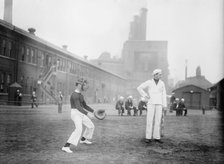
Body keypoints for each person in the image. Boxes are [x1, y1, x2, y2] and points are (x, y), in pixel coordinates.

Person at [62, 78, 95, 153]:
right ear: (80, 85)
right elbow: (78, 107)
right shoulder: (74, 95)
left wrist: (94, 111)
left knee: (91, 126)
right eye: (84, 85)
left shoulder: (80, 95)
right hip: (75, 114)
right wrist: (87, 114)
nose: (85, 86)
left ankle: (83, 139)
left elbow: (85, 106)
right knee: (79, 130)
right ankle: (66, 146)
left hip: (80, 112)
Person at [137, 69, 167, 143]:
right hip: (151, 103)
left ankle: (157, 137)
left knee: (158, 120)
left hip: (159, 104)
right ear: (155, 75)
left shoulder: (162, 83)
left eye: (161, 74)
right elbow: (139, 88)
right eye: (159, 74)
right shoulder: (149, 82)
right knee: (149, 120)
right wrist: (145, 95)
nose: (160, 76)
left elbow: (164, 94)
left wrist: (164, 105)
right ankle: (148, 137)